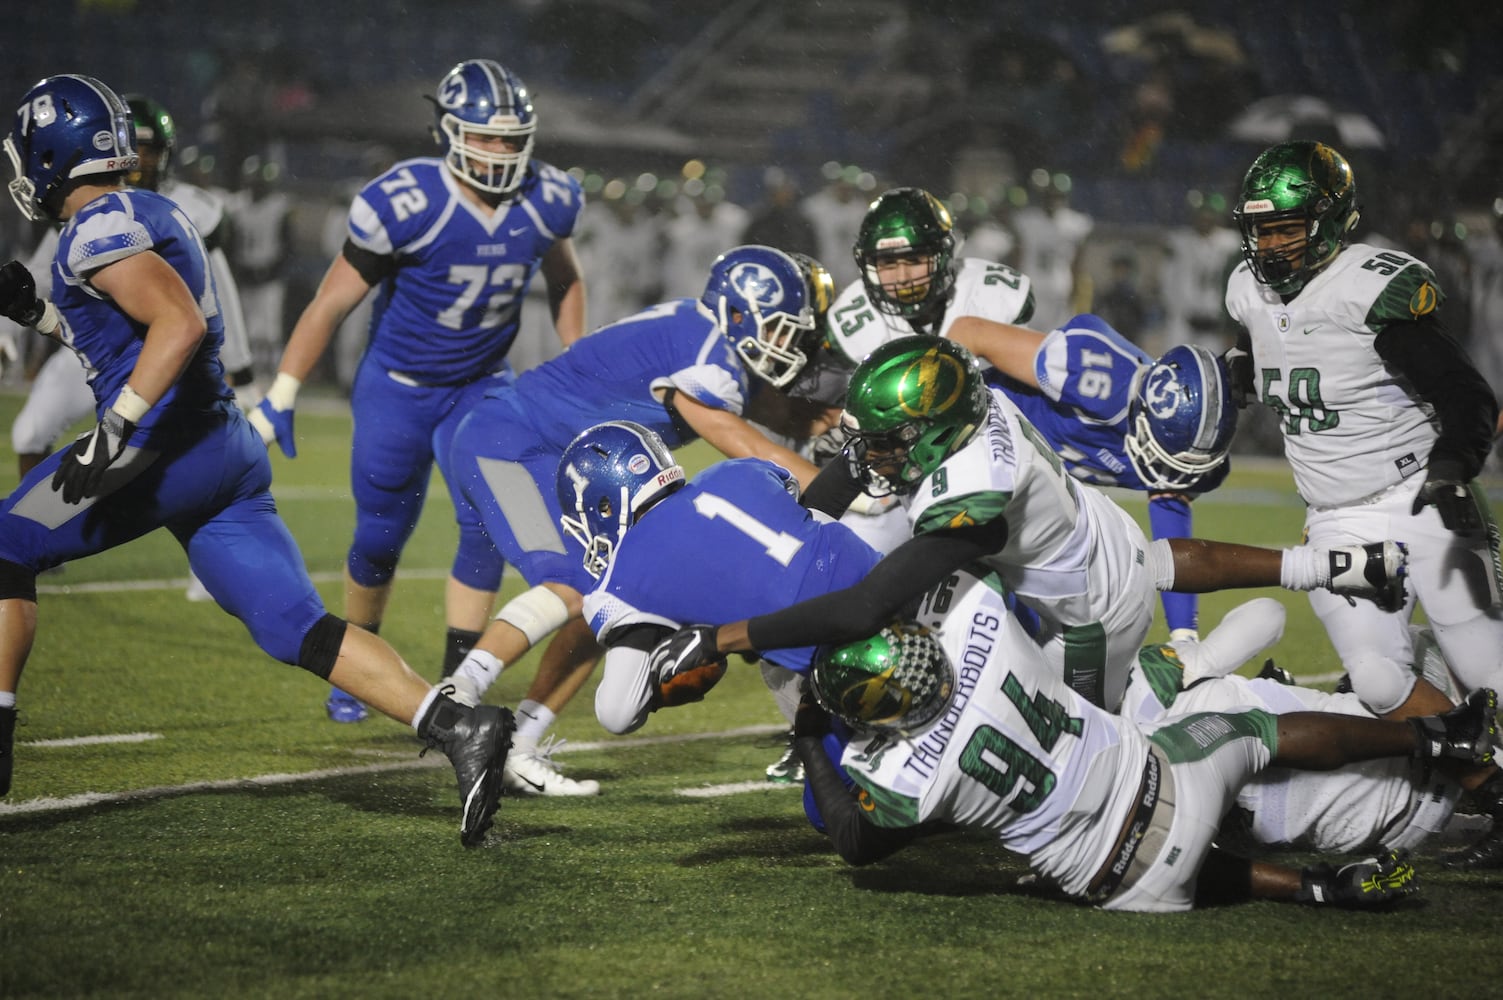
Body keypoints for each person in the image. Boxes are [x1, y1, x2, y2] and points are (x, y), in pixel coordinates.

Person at [0, 74, 513, 846]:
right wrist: (37, 309)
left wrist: (114, 438)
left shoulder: (96, 230)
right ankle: (459, 727)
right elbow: (115, 335)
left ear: (49, 157)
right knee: (294, 626)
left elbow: (174, 328)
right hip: (221, 449)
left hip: (158, 452)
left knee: (6, 545)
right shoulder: (147, 209)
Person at [646, 336, 1407, 718]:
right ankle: (1317, 573)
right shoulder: (965, 397)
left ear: (932, 432)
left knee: (1082, 748)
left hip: (1087, 619)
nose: (870, 453)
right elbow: (840, 480)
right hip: (1090, 537)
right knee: (1142, 565)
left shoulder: (972, 493)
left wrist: (721, 635)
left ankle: (1212, 693)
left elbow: (862, 608)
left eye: (886, 439)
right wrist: (761, 544)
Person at [794, 568, 1495, 911]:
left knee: (1118, 851)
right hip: (1166, 780)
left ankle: (1314, 890)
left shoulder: (909, 776)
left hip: (1122, 886)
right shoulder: (989, 632)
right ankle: (1435, 740)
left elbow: (856, 840)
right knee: (1250, 729)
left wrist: (808, 732)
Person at [442, 245, 858, 795]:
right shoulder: (712, 353)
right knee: (571, 583)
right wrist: (853, 484)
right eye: (782, 331)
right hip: (513, 443)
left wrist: (845, 418)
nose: (791, 347)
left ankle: (518, 742)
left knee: (613, 598)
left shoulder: (704, 333)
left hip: (550, 451)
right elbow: (741, 439)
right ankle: (455, 703)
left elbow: (773, 412)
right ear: (740, 313)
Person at [249, 58, 587, 724]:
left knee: (487, 523)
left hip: (484, 387)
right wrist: (283, 390)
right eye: (484, 137)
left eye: (510, 137)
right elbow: (329, 303)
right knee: (379, 535)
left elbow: (565, 280)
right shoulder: (406, 201)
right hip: (398, 389)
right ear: (448, 132)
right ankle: (359, 667)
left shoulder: (547, 197)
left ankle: (461, 678)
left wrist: (577, 367)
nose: (499, 151)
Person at [1224, 141, 1503, 866]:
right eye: (1262, 229)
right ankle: (1490, 790)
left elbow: (1466, 396)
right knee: (1380, 681)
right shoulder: (1246, 291)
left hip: (1416, 497)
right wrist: (1222, 386)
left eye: (1288, 227)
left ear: (1331, 221)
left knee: (1488, 673)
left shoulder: (1367, 287)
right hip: (1335, 517)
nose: (1272, 243)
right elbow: (1257, 362)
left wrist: (1450, 472)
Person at [823, 187, 1229, 643]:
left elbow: (1171, 508)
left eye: (913, 260)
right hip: (950, 443)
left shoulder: (1173, 451)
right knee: (871, 548)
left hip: (998, 477)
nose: (901, 278)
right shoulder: (1102, 379)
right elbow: (973, 335)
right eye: (888, 264)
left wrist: (1184, 638)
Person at [6, 94, 257, 483]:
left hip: (162, 349)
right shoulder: (84, 207)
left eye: (149, 150)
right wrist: (17, 322)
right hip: (94, 343)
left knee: (174, 463)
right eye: (133, 148)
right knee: (30, 432)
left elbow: (209, 295)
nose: (140, 160)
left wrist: (241, 373)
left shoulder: (184, 207)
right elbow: (38, 274)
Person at [1120, 597, 1485, 860]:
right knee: (1407, 647)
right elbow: (1268, 614)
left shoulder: (1119, 770)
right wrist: (1194, 654)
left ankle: (1466, 816)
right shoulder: (1150, 676)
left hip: (1391, 836)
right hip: (1424, 758)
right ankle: (1485, 768)